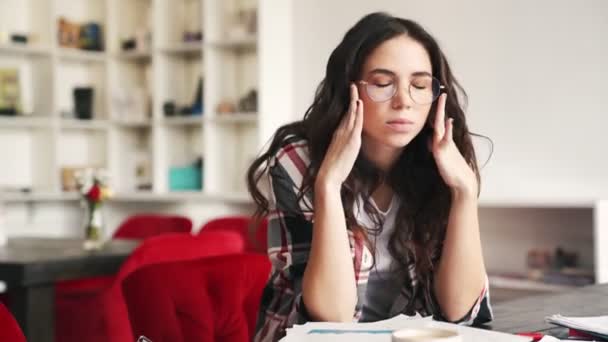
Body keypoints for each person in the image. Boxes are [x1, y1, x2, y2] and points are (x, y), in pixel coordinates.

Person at [246, 12, 493, 342]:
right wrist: (329, 186)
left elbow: (460, 310)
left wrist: (465, 192)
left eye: (420, 85)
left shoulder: (443, 158)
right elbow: (329, 317)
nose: (404, 101)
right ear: (349, 89)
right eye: (382, 84)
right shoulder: (298, 159)